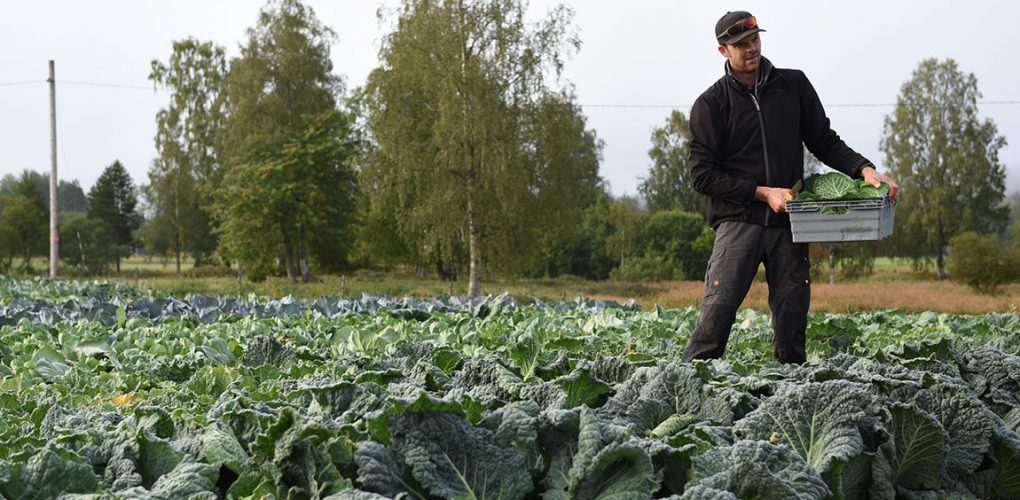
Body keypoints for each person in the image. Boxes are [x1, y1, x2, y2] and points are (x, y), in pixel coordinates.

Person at [680, 11, 899, 364]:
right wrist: (763, 192)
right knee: (717, 313)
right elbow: (702, 176)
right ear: (723, 51)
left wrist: (865, 170)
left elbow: (824, 140)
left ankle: (789, 392)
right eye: (740, 45)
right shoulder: (711, 104)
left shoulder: (792, 86)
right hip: (739, 221)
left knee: (792, 318)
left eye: (754, 40)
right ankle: (689, 386)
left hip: (789, 223)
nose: (751, 49)